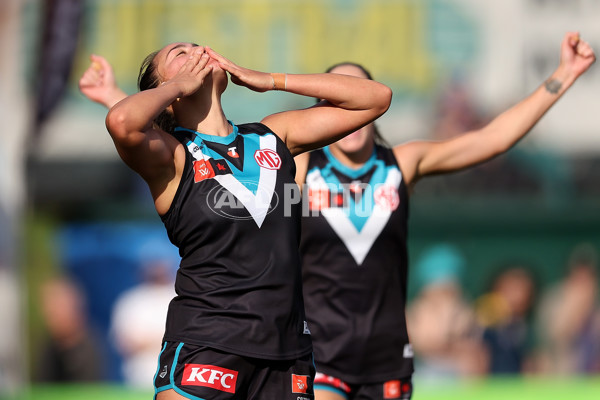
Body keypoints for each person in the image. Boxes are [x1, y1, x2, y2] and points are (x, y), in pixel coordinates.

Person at [79, 44, 392, 400]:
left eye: (198, 46)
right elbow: (122, 122)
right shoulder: (173, 156)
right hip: (207, 342)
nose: (197, 52)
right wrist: (179, 85)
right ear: (167, 95)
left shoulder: (273, 136)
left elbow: (376, 98)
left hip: (286, 352)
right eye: (180, 54)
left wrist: (271, 80)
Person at [294, 32, 594, 400]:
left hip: (386, 358)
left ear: (376, 104)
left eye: (358, 96)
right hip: (321, 356)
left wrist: (564, 73)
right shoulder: (300, 167)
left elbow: (493, 139)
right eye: (334, 100)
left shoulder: (401, 164)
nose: (348, 111)